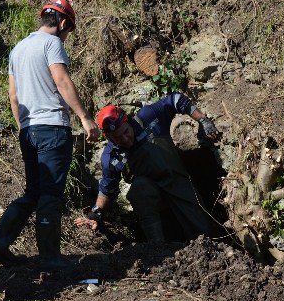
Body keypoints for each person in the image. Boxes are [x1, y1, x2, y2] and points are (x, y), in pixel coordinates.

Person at [0, 0, 100, 268]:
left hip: (29, 130)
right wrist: (84, 117)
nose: (67, 36)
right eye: (68, 30)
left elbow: (13, 95)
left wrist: (23, 125)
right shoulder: (52, 44)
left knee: (33, 193)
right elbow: (61, 80)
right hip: (52, 128)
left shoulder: (18, 48)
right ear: (61, 23)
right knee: (50, 194)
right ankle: (50, 257)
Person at [74, 93, 219, 242]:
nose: (125, 139)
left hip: (177, 181)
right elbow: (107, 188)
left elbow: (176, 99)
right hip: (152, 194)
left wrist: (202, 120)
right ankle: (157, 248)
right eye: (117, 138)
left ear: (127, 121)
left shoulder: (148, 118)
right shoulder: (111, 157)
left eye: (126, 132)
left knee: (204, 230)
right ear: (108, 137)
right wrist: (95, 213)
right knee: (139, 188)